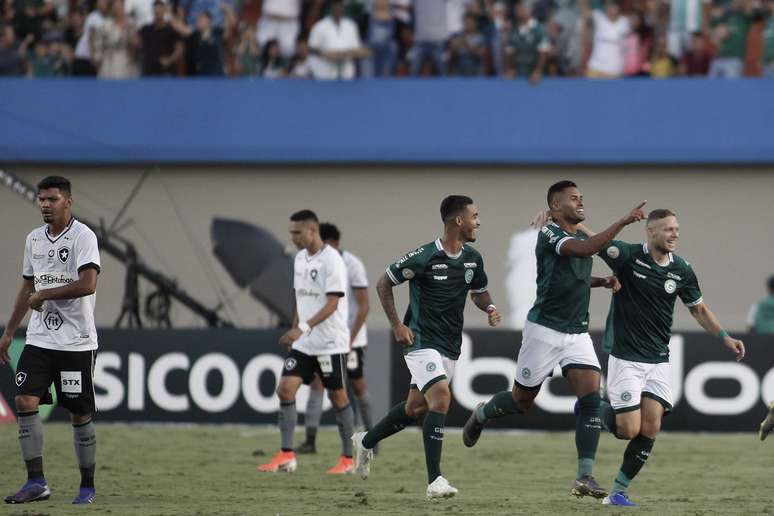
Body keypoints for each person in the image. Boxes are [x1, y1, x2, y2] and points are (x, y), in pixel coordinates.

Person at [462, 181, 645, 499]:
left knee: (591, 398)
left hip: (577, 332)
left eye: (582, 197)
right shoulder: (548, 234)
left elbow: (573, 274)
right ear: (556, 206)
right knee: (521, 402)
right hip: (544, 331)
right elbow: (587, 250)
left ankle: (584, 476)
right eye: (574, 199)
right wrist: (623, 221)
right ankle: (481, 413)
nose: (581, 201)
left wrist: (600, 281)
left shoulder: (575, 234)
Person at [351, 195, 502, 499]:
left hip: (450, 344)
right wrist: (397, 324)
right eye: (475, 216)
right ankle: (435, 480)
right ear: (458, 221)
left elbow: (479, 292)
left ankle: (364, 442)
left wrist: (490, 308)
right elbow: (384, 282)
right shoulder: (423, 257)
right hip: (420, 340)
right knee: (441, 398)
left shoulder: (473, 258)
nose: (479, 221)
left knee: (415, 408)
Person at [592, 209, 745, 506]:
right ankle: (592, 409)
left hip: (659, 359)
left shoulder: (682, 270)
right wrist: (563, 224)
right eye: (668, 230)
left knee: (651, 427)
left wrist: (725, 337)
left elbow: (698, 309)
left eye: (677, 229)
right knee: (628, 430)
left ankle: (617, 493)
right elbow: (594, 242)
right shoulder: (627, 255)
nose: (675, 234)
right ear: (651, 232)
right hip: (627, 356)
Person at [0, 176, 101, 504]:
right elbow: (27, 289)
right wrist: (9, 331)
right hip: (40, 339)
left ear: (67, 202)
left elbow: (88, 284)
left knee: (78, 413)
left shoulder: (83, 237)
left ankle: (87, 485)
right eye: (42, 199)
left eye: (52, 199)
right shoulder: (34, 240)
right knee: (25, 401)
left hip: (76, 342)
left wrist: (46, 294)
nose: (45, 204)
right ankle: (36, 483)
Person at [258, 210, 356, 475]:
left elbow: (333, 303)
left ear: (313, 231)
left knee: (337, 397)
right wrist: (294, 330)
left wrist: (300, 329)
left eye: (297, 232)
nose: (292, 238)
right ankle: (287, 455)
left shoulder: (332, 260)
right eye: (291, 232)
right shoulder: (300, 259)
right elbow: (301, 299)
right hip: (304, 341)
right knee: (285, 389)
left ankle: (348, 459)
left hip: (330, 342)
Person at [297, 223, 372, 455]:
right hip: (325, 336)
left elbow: (364, 306)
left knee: (357, 386)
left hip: (351, 338)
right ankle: (310, 440)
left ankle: (373, 438)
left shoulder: (352, 264)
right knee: (318, 382)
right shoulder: (316, 264)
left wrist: (350, 339)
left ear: (334, 243)